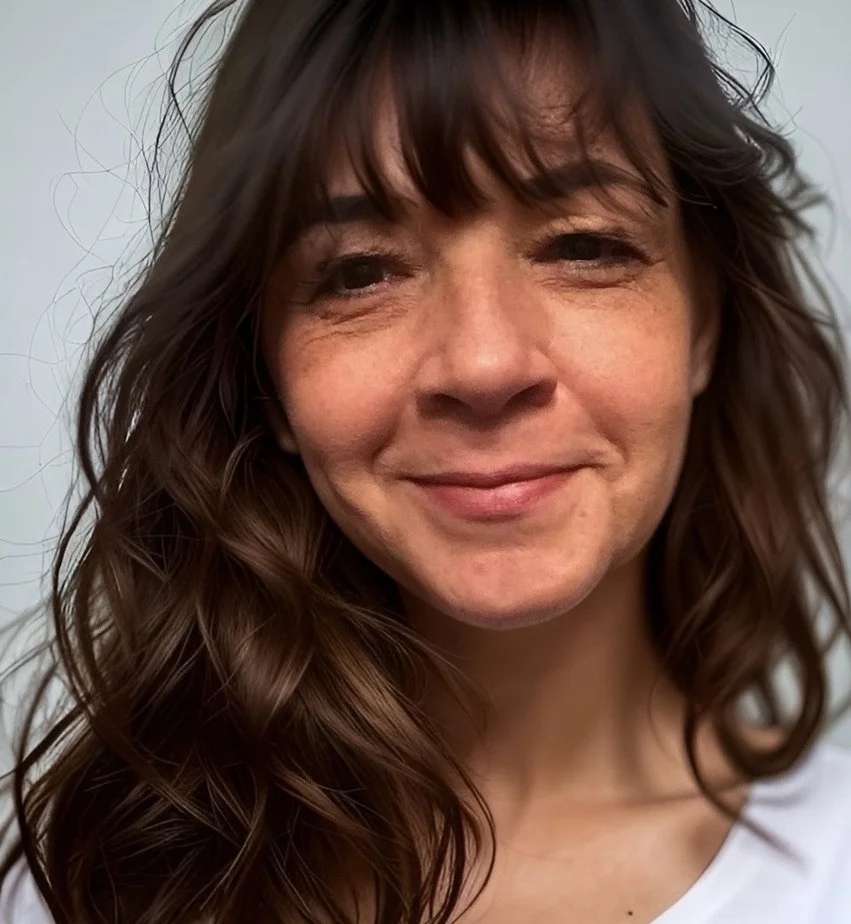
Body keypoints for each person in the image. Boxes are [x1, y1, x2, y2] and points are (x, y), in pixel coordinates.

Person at [2, 0, 851, 921]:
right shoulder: (79, 884)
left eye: (583, 246)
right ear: (266, 371)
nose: (484, 364)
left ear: (704, 324)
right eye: (361, 270)